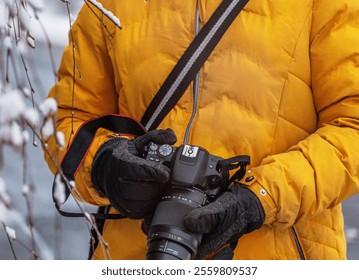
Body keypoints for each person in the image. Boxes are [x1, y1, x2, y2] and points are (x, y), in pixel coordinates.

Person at [43, 0, 359, 260]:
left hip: (276, 256)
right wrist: (105, 163)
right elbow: (65, 121)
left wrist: (260, 198)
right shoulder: (108, 5)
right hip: (137, 256)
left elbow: (352, 128)